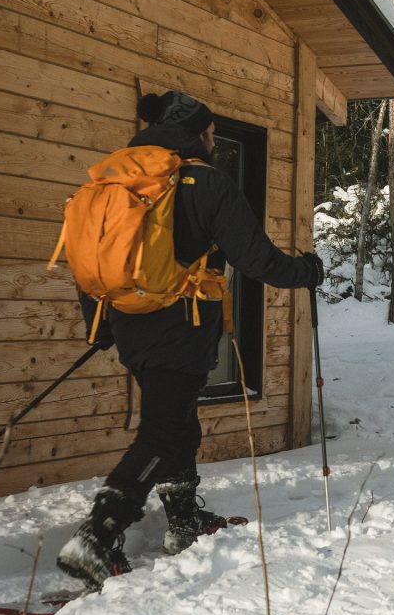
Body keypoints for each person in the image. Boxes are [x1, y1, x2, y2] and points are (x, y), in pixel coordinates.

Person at [57, 91, 324, 589]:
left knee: (179, 423)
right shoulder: (207, 182)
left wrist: (103, 325)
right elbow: (258, 261)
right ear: (200, 133)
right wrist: (307, 270)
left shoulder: (115, 179)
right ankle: (95, 537)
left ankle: (182, 522)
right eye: (212, 132)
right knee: (162, 432)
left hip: (132, 325)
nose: (215, 140)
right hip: (179, 329)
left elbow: (89, 261)